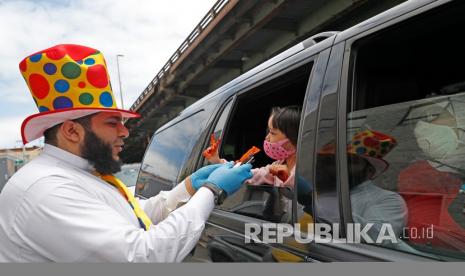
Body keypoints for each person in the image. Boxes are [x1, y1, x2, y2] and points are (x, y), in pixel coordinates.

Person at [0, 44, 253, 262]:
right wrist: (211, 191)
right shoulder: (48, 189)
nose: (125, 132)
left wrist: (189, 186)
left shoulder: (79, 174)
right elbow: (142, 257)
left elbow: (135, 214)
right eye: (112, 123)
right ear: (72, 131)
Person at [398, 99, 465, 252]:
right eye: (416, 121)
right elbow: (429, 234)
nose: (420, 127)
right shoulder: (418, 176)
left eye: (432, 115)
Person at [318, 129, 408, 242]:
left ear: (369, 171)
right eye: (334, 162)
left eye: (350, 162)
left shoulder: (388, 199)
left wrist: (321, 208)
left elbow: (379, 236)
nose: (340, 167)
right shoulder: (322, 191)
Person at [205, 106, 301, 188]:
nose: (267, 138)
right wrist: (218, 161)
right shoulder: (278, 165)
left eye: (272, 133)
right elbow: (246, 174)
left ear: (293, 139)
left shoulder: (307, 169)